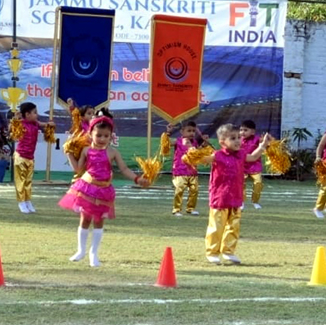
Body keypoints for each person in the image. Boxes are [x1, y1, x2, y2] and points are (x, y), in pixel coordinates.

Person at [58, 116, 150, 267]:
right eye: (98, 135)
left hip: (104, 191)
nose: (102, 139)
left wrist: (137, 179)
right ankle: (81, 250)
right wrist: (68, 154)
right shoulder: (86, 151)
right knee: (85, 219)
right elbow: (78, 169)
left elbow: (124, 169)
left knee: (99, 220)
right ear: (90, 134)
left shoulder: (113, 152)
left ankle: (93, 253)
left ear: (111, 136)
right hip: (87, 189)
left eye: (106, 136)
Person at [197, 124, 271, 264]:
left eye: (239, 137)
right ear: (222, 142)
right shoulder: (217, 155)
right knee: (217, 226)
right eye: (233, 138)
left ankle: (228, 252)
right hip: (220, 197)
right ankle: (212, 252)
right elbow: (202, 159)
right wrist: (193, 153)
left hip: (236, 196)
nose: (238, 140)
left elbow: (253, 157)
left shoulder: (242, 154)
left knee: (233, 225)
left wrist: (262, 146)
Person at [14, 102, 55, 214]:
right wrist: (15, 119)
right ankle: (21, 202)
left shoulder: (35, 124)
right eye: (35, 112)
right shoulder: (20, 124)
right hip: (21, 157)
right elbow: (12, 129)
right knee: (20, 181)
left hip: (30, 157)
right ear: (27, 114)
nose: (37, 114)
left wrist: (49, 124)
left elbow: (43, 124)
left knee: (28, 181)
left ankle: (28, 201)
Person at [166, 121, 205, 216]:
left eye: (193, 131)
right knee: (179, 190)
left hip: (192, 171)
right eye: (189, 131)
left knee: (194, 190)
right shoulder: (177, 141)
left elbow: (199, 153)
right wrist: (168, 133)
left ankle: (190, 208)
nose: (192, 133)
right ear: (182, 132)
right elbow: (166, 144)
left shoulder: (194, 143)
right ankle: (176, 209)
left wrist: (203, 145)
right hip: (180, 171)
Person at [240, 120, 264, 210]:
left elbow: (266, 145)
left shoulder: (257, 139)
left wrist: (266, 143)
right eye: (241, 130)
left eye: (245, 130)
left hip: (255, 165)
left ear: (253, 132)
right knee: (241, 184)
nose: (242, 132)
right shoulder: (238, 139)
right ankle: (241, 202)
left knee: (258, 182)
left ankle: (255, 201)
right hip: (242, 166)